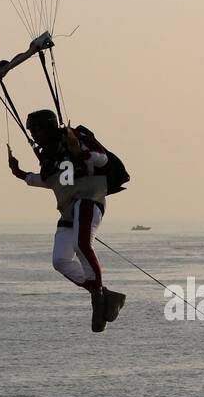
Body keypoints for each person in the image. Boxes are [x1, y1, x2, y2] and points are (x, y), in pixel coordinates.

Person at [8, 109, 126, 333]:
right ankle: (105, 293)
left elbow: (102, 160)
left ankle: (99, 299)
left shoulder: (76, 139)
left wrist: (79, 153)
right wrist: (20, 173)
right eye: (31, 131)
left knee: (81, 245)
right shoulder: (50, 155)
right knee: (60, 260)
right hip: (69, 211)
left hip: (89, 201)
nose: (34, 135)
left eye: (37, 130)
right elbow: (49, 181)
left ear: (49, 127)